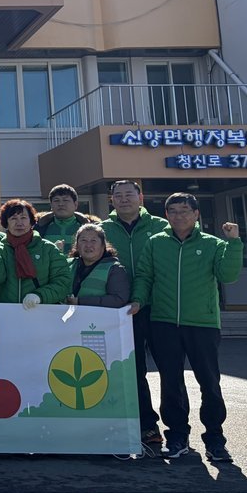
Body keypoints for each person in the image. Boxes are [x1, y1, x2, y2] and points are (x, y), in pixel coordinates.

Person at [129, 193, 243, 463]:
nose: (178, 216)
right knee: (171, 383)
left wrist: (234, 242)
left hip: (202, 324)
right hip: (164, 322)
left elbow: (228, 275)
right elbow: (145, 276)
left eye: (184, 210)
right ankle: (177, 437)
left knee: (209, 383)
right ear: (166, 215)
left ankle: (215, 440)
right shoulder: (156, 243)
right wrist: (138, 300)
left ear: (196, 214)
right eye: (173, 211)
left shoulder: (213, 244)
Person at [102, 179, 168, 454]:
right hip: (122, 311)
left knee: (169, 371)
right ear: (112, 200)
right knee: (133, 370)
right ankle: (146, 426)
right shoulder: (103, 229)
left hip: (159, 307)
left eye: (129, 194)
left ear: (141, 197)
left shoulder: (161, 227)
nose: (124, 199)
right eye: (118, 195)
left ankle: (177, 429)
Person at [0, 199, 69, 306]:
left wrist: (39, 296)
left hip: (41, 311)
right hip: (7, 312)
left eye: (23, 218)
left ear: (31, 221)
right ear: (6, 223)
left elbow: (62, 282)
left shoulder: (48, 249)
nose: (19, 223)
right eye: (13, 218)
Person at [66, 224, 130, 307]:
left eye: (93, 241)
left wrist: (81, 301)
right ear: (77, 245)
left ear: (103, 245)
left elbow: (119, 299)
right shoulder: (66, 265)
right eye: (83, 240)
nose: (88, 245)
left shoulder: (114, 269)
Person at [35, 184, 93, 254]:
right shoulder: (37, 229)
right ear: (51, 205)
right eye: (56, 200)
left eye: (65, 200)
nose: (61, 204)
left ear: (75, 204)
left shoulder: (91, 228)